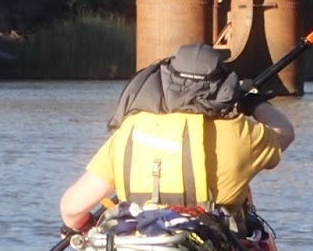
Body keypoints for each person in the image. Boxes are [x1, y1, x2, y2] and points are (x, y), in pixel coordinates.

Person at [59, 42, 294, 234]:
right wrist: (254, 102)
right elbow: (285, 131)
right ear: (223, 86)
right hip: (212, 249)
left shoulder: (129, 131)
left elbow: (71, 209)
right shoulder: (240, 132)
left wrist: (86, 228)